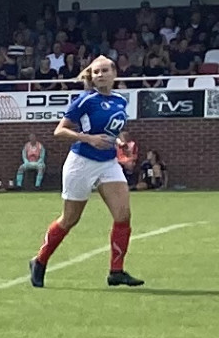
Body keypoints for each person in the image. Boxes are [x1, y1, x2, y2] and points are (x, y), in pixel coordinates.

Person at [31, 55, 141, 288]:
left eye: (104, 71)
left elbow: (115, 129)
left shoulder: (121, 100)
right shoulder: (85, 100)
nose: (100, 75)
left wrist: (119, 142)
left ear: (114, 73)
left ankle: (116, 271)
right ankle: (40, 261)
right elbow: (59, 131)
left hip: (108, 163)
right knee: (70, 219)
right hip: (82, 162)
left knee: (123, 215)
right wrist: (87, 138)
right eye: (96, 72)